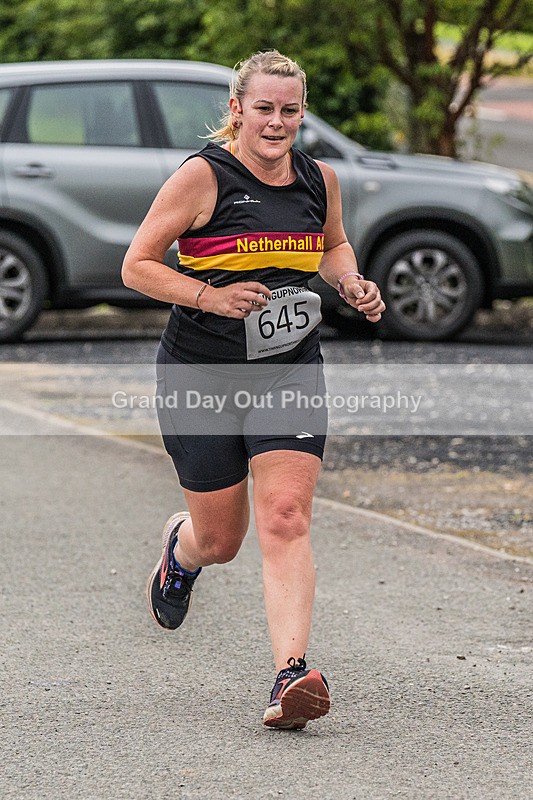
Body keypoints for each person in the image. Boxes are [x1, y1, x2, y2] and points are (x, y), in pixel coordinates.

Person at [122, 49, 385, 730]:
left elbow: (331, 245)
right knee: (221, 540)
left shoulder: (317, 178)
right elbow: (138, 266)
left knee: (286, 516)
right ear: (237, 110)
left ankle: (289, 674)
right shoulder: (201, 178)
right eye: (263, 108)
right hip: (201, 375)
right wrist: (210, 298)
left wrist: (348, 281)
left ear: (301, 113)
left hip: (288, 367)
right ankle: (181, 552)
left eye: (289, 110)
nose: (276, 122)